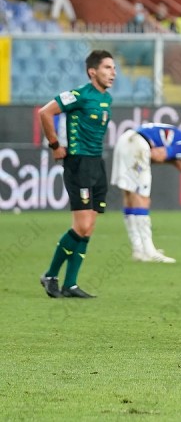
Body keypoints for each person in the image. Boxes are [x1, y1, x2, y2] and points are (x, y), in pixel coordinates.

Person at [39, 50, 115, 298]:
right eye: (107, 68)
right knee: (81, 225)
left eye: (114, 68)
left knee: (88, 227)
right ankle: (50, 275)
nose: (113, 73)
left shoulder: (107, 98)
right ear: (93, 71)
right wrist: (55, 145)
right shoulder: (78, 95)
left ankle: (70, 284)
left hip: (97, 164)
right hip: (78, 163)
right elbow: (45, 112)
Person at [111, 123, 181, 263]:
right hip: (138, 145)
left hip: (126, 140)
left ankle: (138, 249)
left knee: (130, 196)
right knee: (143, 199)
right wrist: (171, 160)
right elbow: (157, 154)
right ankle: (149, 251)